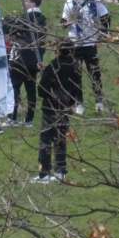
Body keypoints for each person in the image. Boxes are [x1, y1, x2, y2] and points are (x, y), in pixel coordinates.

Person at [61, 0, 110, 114]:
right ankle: (79, 103)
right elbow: (63, 22)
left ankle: (99, 102)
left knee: (95, 74)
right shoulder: (69, 3)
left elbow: (105, 17)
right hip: (75, 43)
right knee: (75, 74)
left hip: (90, 43)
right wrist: (68, 21)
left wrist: (102, 37)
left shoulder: (95, 2)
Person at [31, 41, 78, 183]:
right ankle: (60, 172)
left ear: (58, 50)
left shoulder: (54, 65)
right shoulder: (75, 66)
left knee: (45, 140)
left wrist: (45, 73)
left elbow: (42, 90)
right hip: (65, 107)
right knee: (60, 140)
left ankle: (44, 173)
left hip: (51, 107)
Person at [2, 0, 47, 127]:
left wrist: (5, 22)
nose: (23, 2)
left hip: (20, 58)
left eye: (26, 0)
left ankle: (13, 117)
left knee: (14, 88)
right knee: (30, 89)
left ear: (32, 3)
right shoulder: (42, 19)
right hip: (34, 60)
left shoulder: (26, 17)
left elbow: (12, 30)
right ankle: (29, 119)